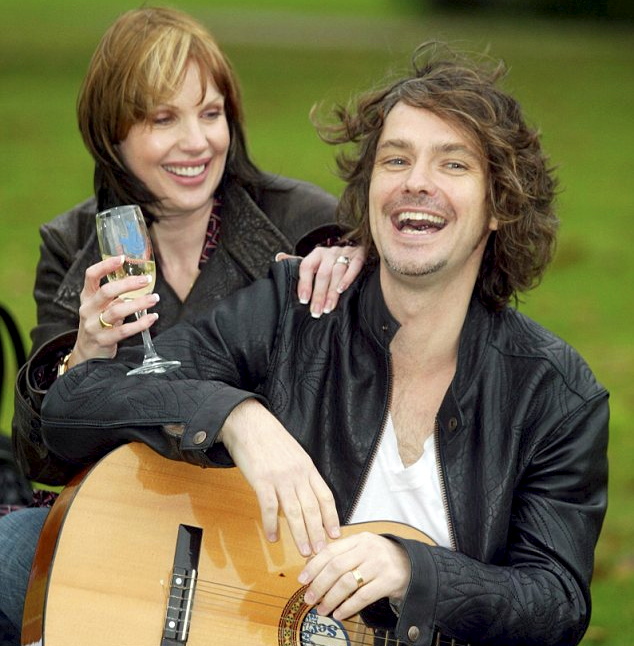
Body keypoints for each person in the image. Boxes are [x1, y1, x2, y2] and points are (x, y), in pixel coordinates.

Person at [40, 42, 608, 645]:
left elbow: (558, 604)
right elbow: (76, 405)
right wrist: (236, 417)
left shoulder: (555, 395)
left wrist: (414, 570)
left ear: (500, 206)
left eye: (453, 164)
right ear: (369, 190)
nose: (417, 183)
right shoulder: (299, 310)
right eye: (395, 160)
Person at [0, 6, 366, 640]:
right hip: (133, 517)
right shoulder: (72, 245)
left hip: (268, 536)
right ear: (111, 136)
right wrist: (82, 355)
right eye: (162, 119)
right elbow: (44, 458)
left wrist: (363, 254)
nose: (197, 142)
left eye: (211, 112)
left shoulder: (307, 221)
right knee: (12, 551)